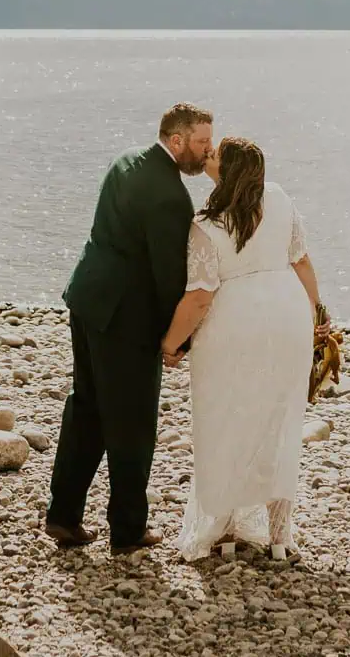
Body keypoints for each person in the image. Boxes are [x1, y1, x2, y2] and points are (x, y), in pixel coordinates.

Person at [45, 103, 214, 553]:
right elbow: (168, 278)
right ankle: (128, 530)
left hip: (87, 298)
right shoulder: (170, 196)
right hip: (124, 319)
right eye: (201, 142)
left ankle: (62, 516)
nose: (207, 151)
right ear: (176, 140)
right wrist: (176, 340)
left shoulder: (126, 159)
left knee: (87, 407)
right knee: (133, 423)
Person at [161, 136, 326, 561]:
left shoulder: (206, 222)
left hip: (234, 323)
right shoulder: (281, 200)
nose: (208, 156)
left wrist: (171, 342)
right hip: (288, 316)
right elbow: (302, 263)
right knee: (279, 423)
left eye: (214, 155)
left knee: (226, 419)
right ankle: (278, 537)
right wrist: (316, 317)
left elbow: (200, 295)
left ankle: (223, 531)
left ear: (226, 170)